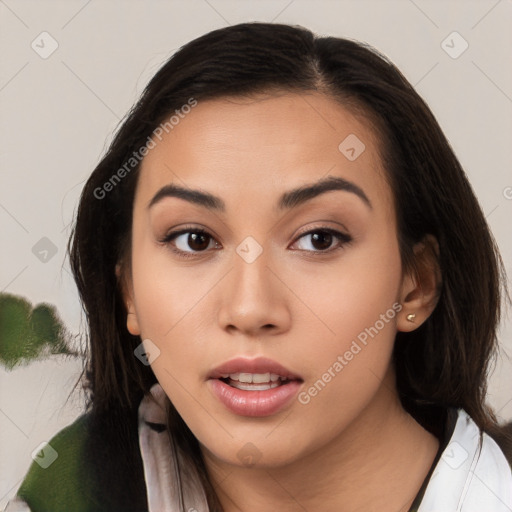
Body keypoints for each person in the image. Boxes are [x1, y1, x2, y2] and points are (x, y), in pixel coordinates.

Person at [7, 21, 512, 512]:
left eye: (319, 239)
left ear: (417, 284)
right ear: (129, 292)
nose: (250, 309)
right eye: (194, 239)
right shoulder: (73, 487)